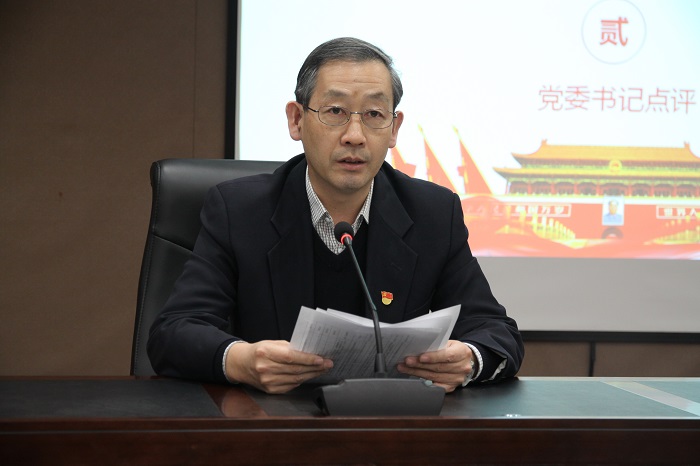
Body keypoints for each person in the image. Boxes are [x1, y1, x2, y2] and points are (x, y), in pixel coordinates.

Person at [148, 37, 524, 394]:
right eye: (335, 112)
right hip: (270, 422)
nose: (354, 135)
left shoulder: (432, 213)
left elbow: (495, 330)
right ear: (297, 120)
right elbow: (173, 332)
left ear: (394, 128)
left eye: (374, 114)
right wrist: (241, 361)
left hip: (388, 425)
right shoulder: (239, 211)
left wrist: (470, 359)